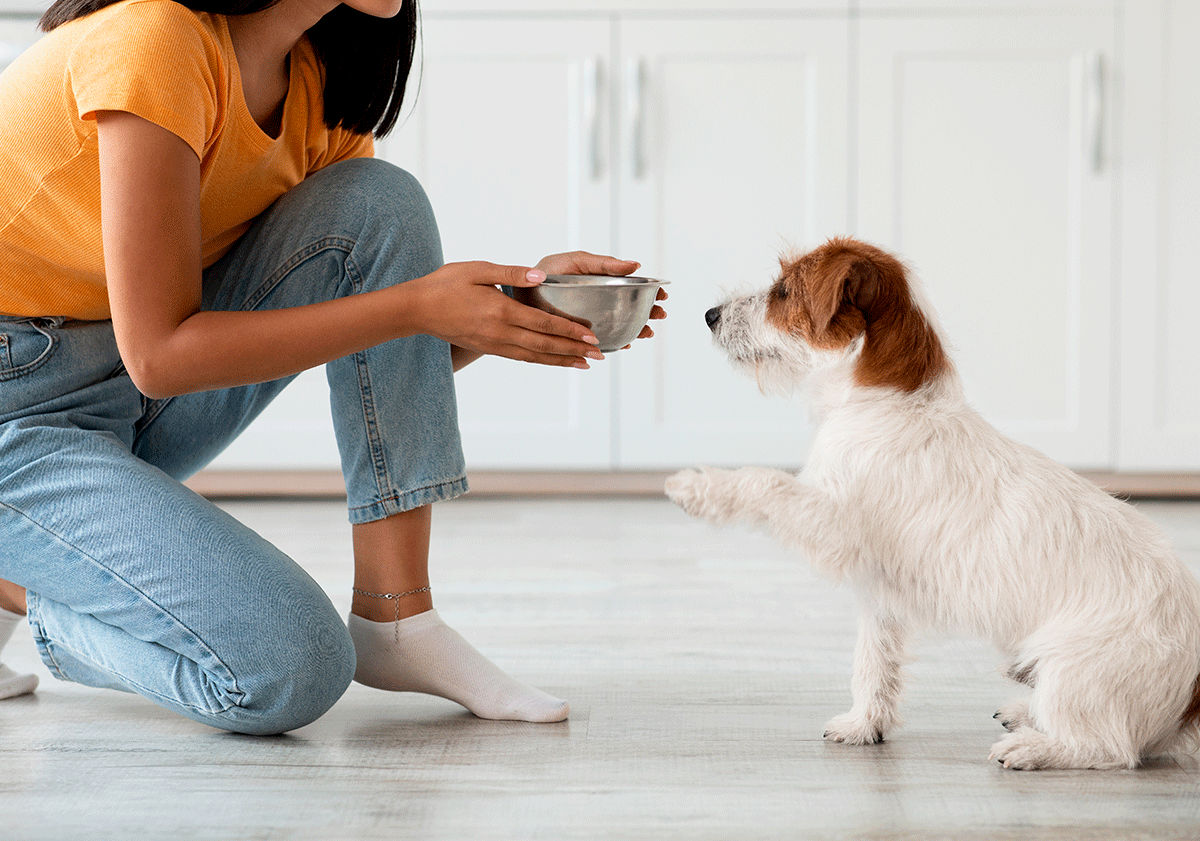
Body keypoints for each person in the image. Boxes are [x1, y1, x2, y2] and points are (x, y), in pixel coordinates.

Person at [0, 0, 665, 732]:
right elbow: (160, 355)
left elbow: (383, 354)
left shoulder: (320, 85)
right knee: (291, 668)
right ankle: (20, 586)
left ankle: (397, 617)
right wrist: (416, 306)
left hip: (114, 380)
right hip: (21, 404)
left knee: (381, 205)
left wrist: (509, 310)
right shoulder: (155, 39)